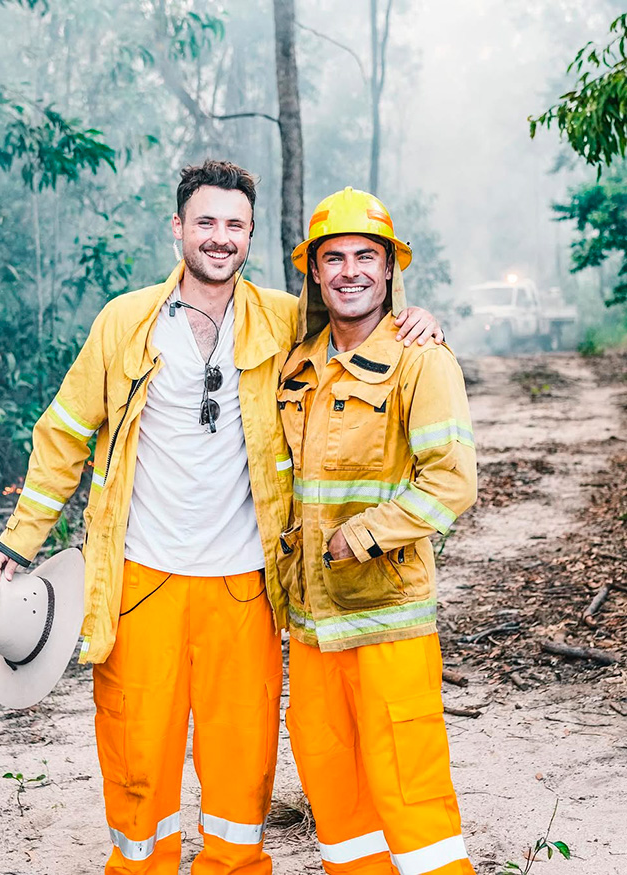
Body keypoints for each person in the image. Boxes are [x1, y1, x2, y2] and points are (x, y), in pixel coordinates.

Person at [0, 161, 443, 875]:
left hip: (244, 586)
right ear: (178, 228)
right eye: (206, 222)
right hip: (141, 583)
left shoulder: (284, 320)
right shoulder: (125, 322)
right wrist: (22, 536)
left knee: (241, 765)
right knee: (138, 759)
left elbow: (361, 322)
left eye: (235, 225)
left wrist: (416, 317)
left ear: (251, 236)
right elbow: (65, 431)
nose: (219, 237)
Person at [277, 187, 477, 875]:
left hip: (388, 617)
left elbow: (453, 481)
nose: (351, 270)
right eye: (334, 258)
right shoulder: (296, 363)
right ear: (314, 271)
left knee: (412, 800)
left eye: (368, 256)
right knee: (338, 806)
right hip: (311, 625)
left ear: (391, 269)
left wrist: (364, 534)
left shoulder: (421, 357)